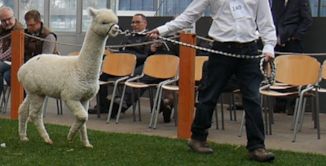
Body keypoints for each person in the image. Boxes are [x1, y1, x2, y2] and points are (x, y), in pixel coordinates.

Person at [147, 0, 276, 162]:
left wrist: (269, 46)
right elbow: (189, 15)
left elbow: (266, 21)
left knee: (253, 99)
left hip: (249, 50)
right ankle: (198, 138)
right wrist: (161, 30)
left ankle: (257, 147)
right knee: (209, 95)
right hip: (221, 49)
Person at [88, 13, 152, 116]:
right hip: (120, 65)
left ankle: (118, 104)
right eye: (133, 22)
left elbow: (146, 55)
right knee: (101, 76)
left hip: (135, 67)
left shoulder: (148, 37)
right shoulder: (128, 36)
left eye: (137, 22)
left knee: (132, 77)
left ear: (145, 23)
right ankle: (102, 105)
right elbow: (121, 49)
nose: (134, 25)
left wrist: (128, 56)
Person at [271, 0, 313, 115]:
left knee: (295, 72)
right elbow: (272, 17)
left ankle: (294, 104)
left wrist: (296, 36)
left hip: (293, 42)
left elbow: (307, 19)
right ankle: (280, 102)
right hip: (278, 40)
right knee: (278, 71)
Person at [0, 7, 25, 98]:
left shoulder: (19, 30)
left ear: (14, 16)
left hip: (18, 61)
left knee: (8, 75)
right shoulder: (2, 29)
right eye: (3, 21)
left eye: (9, 19)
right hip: (6, 62)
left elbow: (11, 52)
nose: (7, 22)